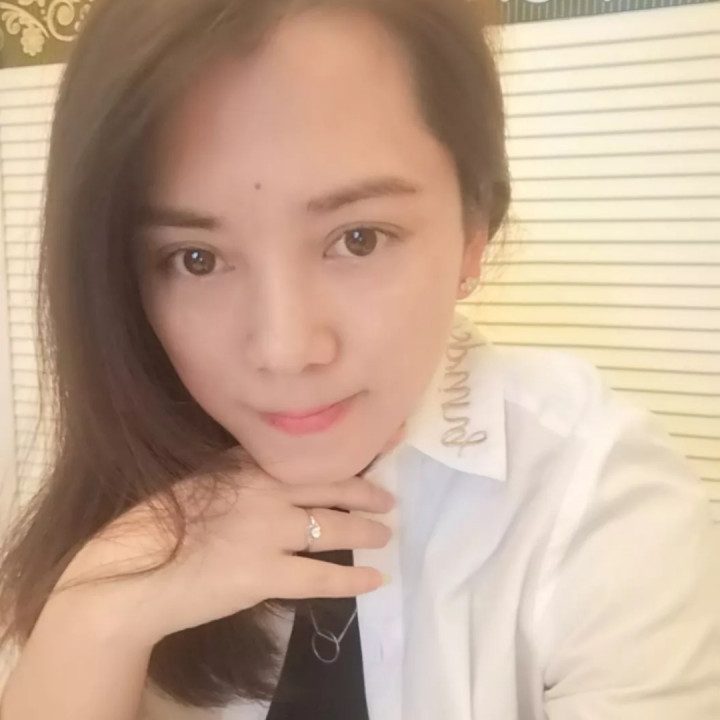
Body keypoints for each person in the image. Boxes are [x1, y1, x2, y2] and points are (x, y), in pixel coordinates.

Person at [1, 0, 718, 717]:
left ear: (474, 232)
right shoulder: (120, 480)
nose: (285, 350)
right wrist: (91, 619)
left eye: (358, 239)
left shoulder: (593, 496)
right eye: (197, 258)